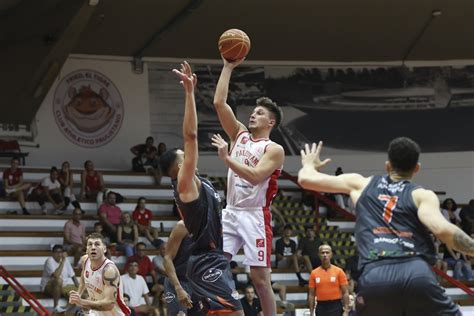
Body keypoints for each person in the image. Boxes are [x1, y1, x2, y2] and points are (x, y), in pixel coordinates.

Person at [297, 137, 472, 315]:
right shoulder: (422, 195)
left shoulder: (360, 184)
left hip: (376, 275)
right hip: (416, 272)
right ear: (416, 168)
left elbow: (305, 179)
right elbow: (442, 229)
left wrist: (310, 164)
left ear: (387, 165)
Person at [159, 61, 243, 315]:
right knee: (236, 313)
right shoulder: (185, 184)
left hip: (212, 258)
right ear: (179, 166)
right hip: (206, 261)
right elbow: (191, 136)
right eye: (184, 156)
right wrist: (189, 93)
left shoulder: (199, 182)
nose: (190, 155)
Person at [212, 56, 284, 315]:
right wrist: (228, 67)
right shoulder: (239, 134)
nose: (253, 114)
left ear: (271, 122)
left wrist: (227, 158)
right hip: (230, 212)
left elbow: (255, 177)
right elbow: (219, 103)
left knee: (260, 280)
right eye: (253, 111)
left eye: (260, 113)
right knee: (215, 268)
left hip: (255, 216)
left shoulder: (274, 149)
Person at [69, 232, 130, 315]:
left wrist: (81, 302)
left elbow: (109, 304)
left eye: (97, 244)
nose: (93, 247)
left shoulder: (109, 270)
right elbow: (84, 277)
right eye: (90, 244)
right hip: (96, 311)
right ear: (87, 249)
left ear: (104, 249)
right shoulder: (85, 260)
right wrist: (78, 294)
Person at [163, 220, 204, 315]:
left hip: (197, 283)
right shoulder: (182, 226)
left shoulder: (211, 227)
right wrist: (178, 287)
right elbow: (167, 259)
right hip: (178, 280)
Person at [307, 244, 350, 316]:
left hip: (335, 306)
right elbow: (311, 294)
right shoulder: (314, 273)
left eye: (327, 252)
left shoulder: (339, 271)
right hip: (321, 307)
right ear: (319, 255)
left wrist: (346, 310)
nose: (325, 255)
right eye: (322, 252)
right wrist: (311, 312)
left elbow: (345, 292)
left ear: (331, 254)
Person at [40, 244, 78, 313]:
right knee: (58, 280)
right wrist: (62, 262)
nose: (59, 254)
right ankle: (56, 306)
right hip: (48, 286)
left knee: (83, 293)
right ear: (52, 253)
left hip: (64, 286)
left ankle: (65, 309)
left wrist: (79, 288)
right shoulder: (49, 260)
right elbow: (56, 276)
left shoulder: (66, 261)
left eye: (61, 252)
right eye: (57, 252)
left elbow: (73, 276)